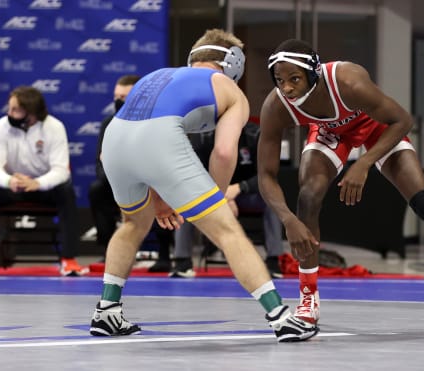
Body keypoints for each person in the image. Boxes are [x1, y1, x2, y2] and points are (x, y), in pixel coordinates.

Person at [258, 39, 424, 326]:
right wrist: (287, 219)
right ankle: (308, 296)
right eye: (280, 80)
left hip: (374, 124)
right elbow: (266, 175)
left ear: (314, 74)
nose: (287, 88)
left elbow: (403, 119)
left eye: (294, 79)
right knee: (308, 197)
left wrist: (364, 163)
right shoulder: (276, 106)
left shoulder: (348, 82)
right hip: (332, 132)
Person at [88, 29, 317, 343]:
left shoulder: (155, 76)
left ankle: (106, 310)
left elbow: (140, 139)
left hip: (115, 142)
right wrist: (217, 197)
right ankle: (281, 317)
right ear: (233, 63)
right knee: (227, 231)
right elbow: (223, 152)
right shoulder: (230, 90)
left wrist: (159, 197)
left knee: (132, 224)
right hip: (159, 142)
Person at [0, 86, 87, 276]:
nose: (9, 113)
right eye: (9, 108)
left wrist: (38, 183)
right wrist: (9, 181)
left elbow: (61, 170)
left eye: (15, 109)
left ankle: (69, 259)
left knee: (66, 191)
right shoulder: (2, 126)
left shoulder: (54, 127)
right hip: (13, 187)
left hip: (44, 188)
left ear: (31, 113)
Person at [167, 121, 285, 278]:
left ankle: (273, 261)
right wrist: (223, 198)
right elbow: (194, 174)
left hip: (246, 195)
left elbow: (267, 176)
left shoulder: (255, 136)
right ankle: (182, 261)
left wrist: (240, 188)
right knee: (186, 201)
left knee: (272, 200)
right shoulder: (203, 137)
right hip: (212, 193)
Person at [87, 75, 174, 272]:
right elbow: (101, 162)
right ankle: (110, 249)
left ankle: (164, 255)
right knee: (97, 190)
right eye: (116, 96)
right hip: (118, 179)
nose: (118, 101)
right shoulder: (108, 123)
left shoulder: (157, 121)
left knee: (162, 191)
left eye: (124, 97)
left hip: (151, 180)